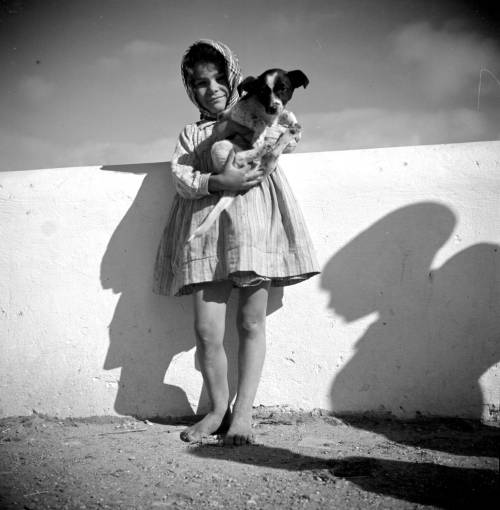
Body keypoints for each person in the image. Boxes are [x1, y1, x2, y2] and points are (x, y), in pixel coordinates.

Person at [154, 40, 319, 446]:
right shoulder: (192, 133)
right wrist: (216, 180)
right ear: (189, 88)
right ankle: (217, 409)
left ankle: (243, 412)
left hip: (253, 226)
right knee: (207, 329)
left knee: (250, 321)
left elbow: (285, 137)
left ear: (233, 79)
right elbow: (181, 176)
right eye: (199, 83)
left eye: (217, 79)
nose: (210, 89)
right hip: (207, 234)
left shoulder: (259, 115)